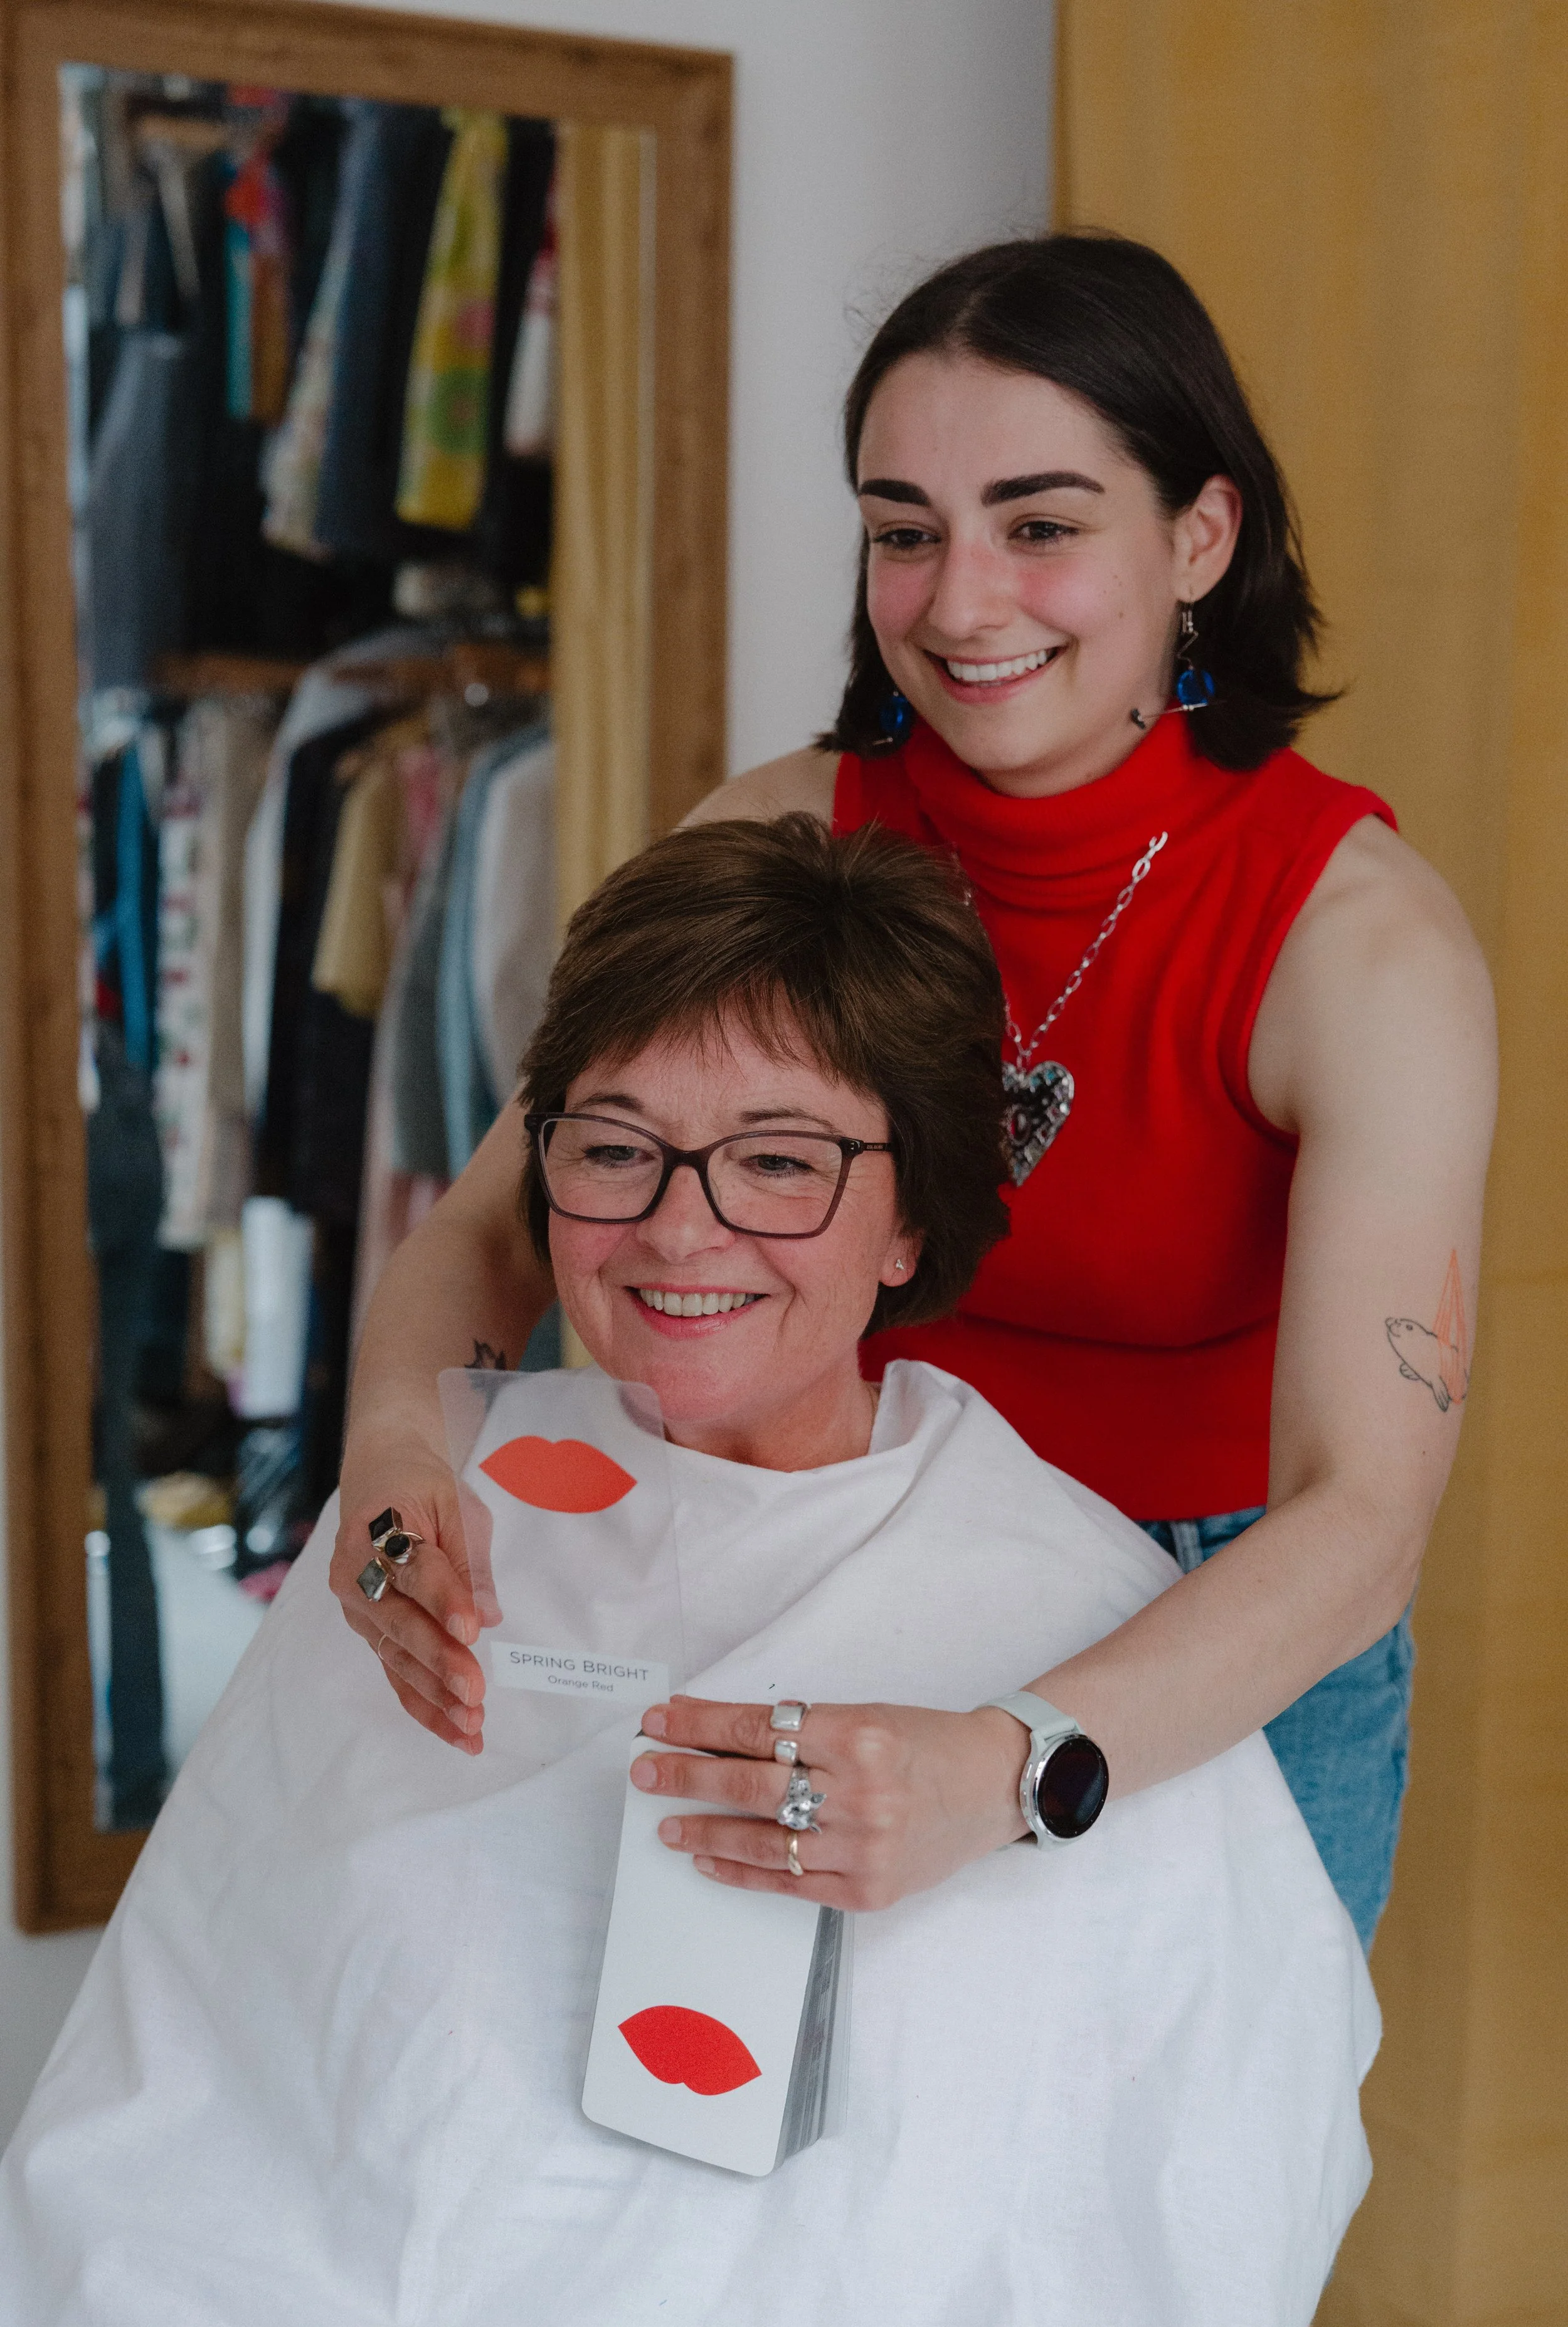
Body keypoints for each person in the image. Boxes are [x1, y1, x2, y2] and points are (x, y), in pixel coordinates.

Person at [1, 819, 1376, 2327]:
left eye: (778, 1161)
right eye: (614, 1149)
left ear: (909, 1215)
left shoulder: (1075, 1619)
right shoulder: (439, 1531)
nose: (677, 1226)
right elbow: (196, 2073)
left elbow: (1206, 2151)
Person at [329, 234, 1496, 1955]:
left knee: (1161, 2204)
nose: (957, 602)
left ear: (1198, 535)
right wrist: (397, 1447)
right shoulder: (778, 831)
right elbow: (508, 1215)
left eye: (1038, 524)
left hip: (1203, 1640)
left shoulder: (1357, 942)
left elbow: (1359, 1518)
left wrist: (1008, 1760)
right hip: (822, 1556)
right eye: (903, 530)